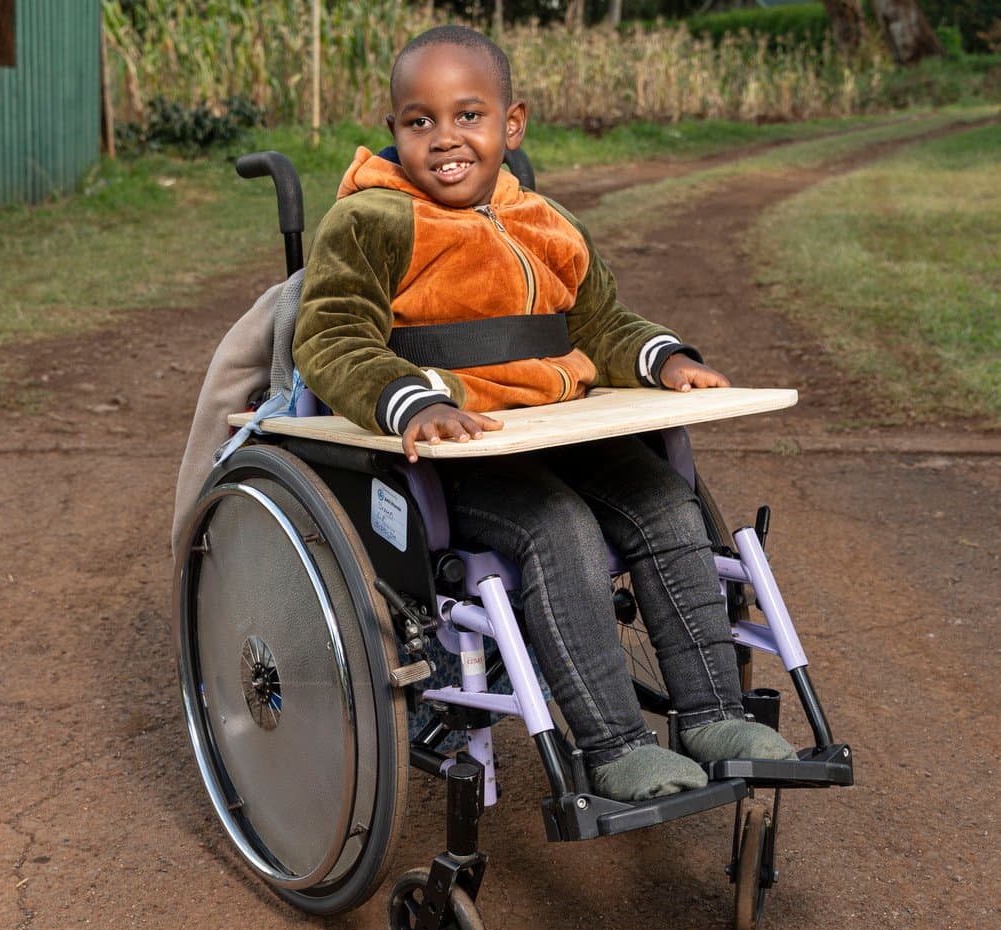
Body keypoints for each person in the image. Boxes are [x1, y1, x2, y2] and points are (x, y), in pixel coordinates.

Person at [293, 25, 796, 803]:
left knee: (667, 504)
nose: (445, 139)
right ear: (393, 132)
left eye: (469, 116)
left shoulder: (547, 223)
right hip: (456, 454)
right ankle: (615, 745)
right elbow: (329, 338)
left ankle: (711, 716)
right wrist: (414, 404)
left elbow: (600, 327)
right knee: (559, 526)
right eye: (419, 122)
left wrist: (667, 360)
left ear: (511, 124)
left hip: (560, 435)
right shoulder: (371, 223)